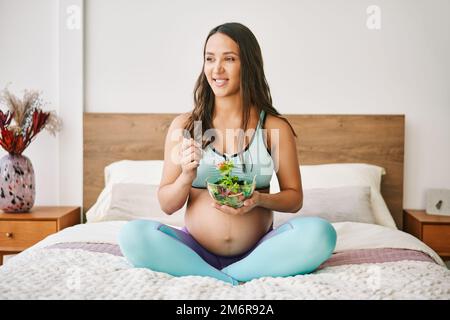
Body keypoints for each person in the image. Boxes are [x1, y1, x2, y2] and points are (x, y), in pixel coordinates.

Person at [118, 22, 336, 285]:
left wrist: (259, 200)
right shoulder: (186, 126)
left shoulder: (273, 127)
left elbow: (294, 198)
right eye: (209, 59)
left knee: (321, 233)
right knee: (132, 235)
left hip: (260, 251)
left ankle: (225, 277)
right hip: (194, 250)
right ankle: (224, 278)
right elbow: (166, 204)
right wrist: (187, 175)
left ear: (248, 65)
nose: (217, 69)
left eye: (229, 59)